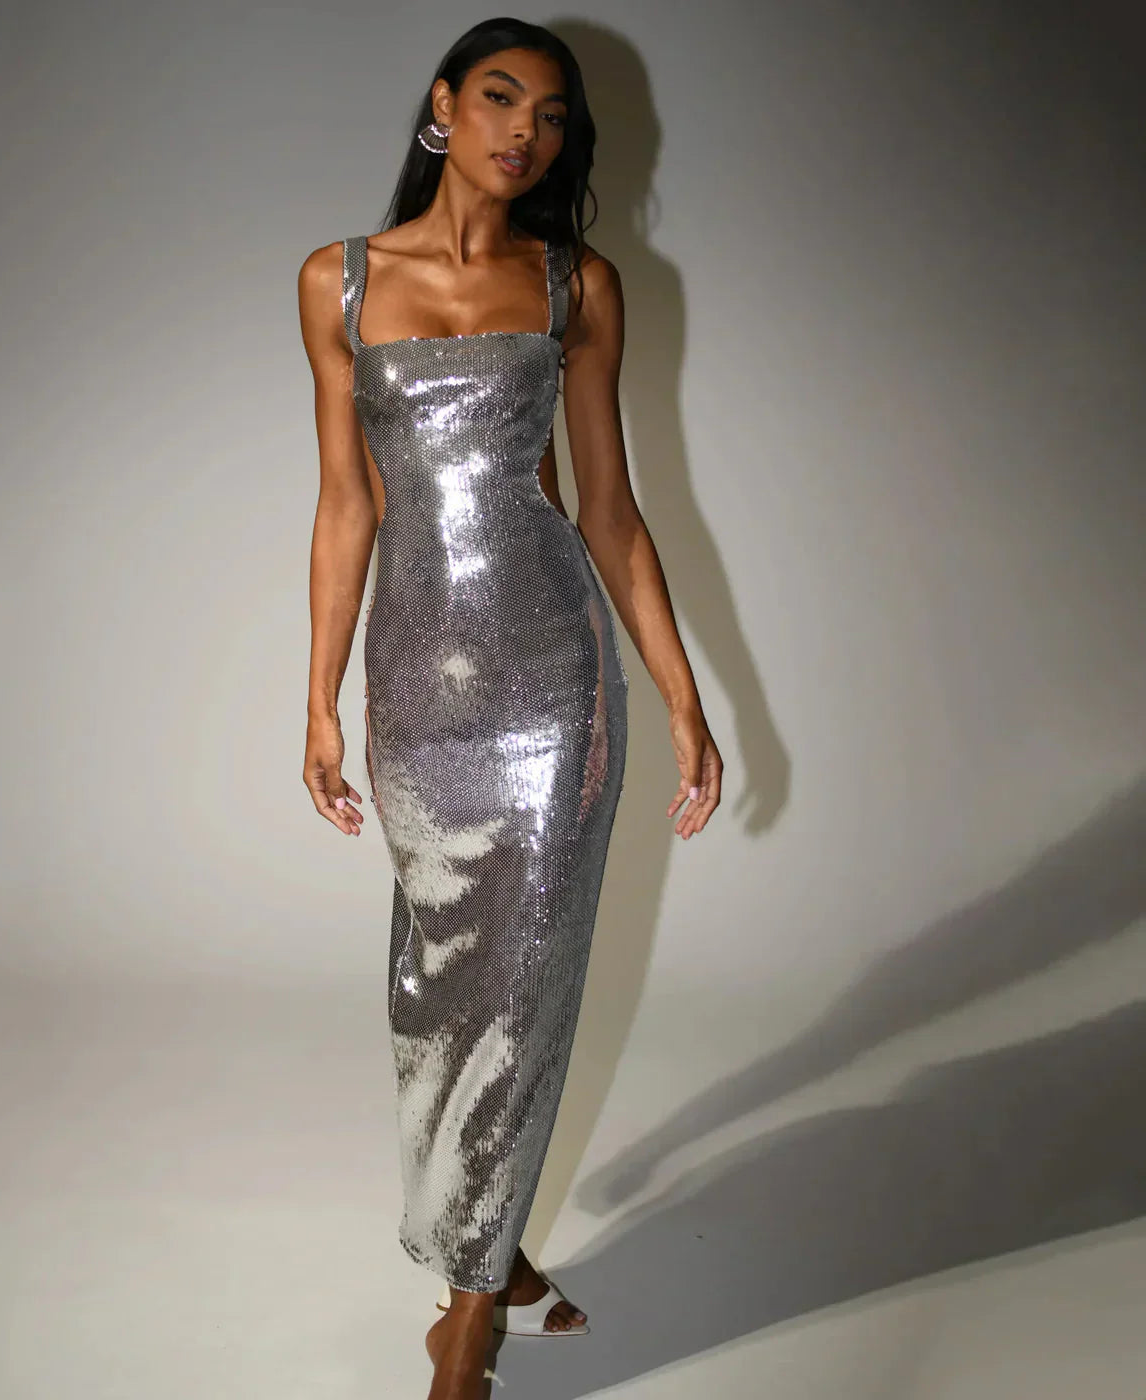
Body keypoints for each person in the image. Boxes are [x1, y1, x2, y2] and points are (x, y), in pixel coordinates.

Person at [298, 17, 721, 1398]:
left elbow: (611, 511)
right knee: (437, 995)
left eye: (548, 116)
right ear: (443, 104)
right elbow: (346, 505)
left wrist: (683, 696)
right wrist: (319, 698)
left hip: (553, 687)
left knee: (526, 990)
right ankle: (494, 1250)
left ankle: (471, 1324)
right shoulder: (339, 283)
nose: (523, 133)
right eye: (499, 98)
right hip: (417, 684)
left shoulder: (576, 287)